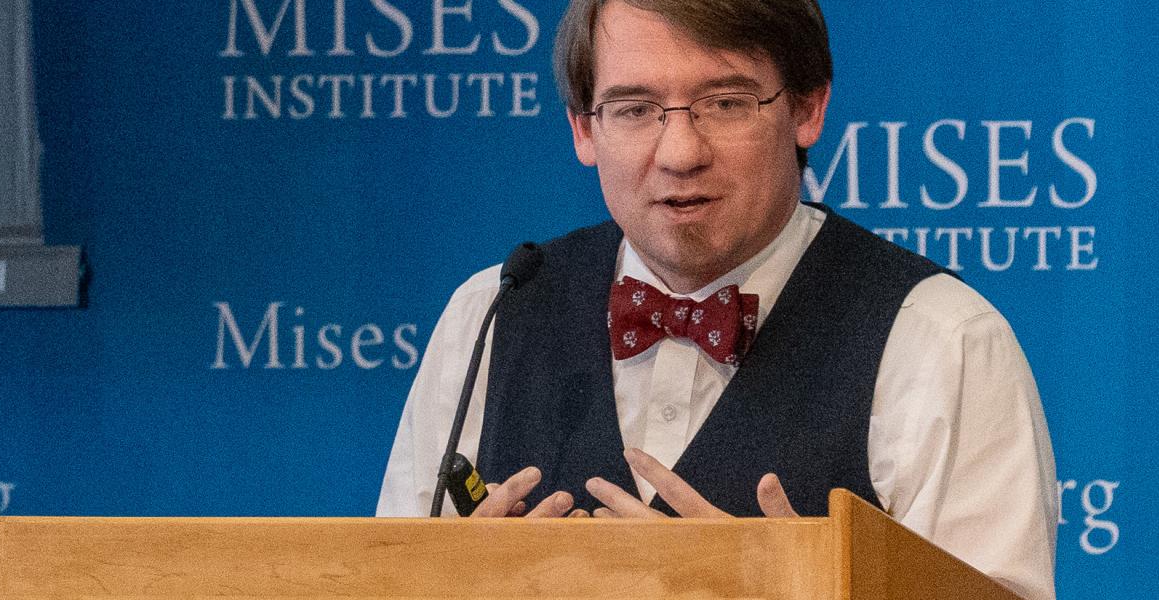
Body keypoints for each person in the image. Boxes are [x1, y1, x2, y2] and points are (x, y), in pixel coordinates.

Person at [376, 1, 1057, 598]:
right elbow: (373, 581)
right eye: (635, 109)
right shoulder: (491, 314)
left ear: (808, 108)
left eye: (726, 103)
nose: (680, 152)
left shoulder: (942, 340)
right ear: (584, 129)